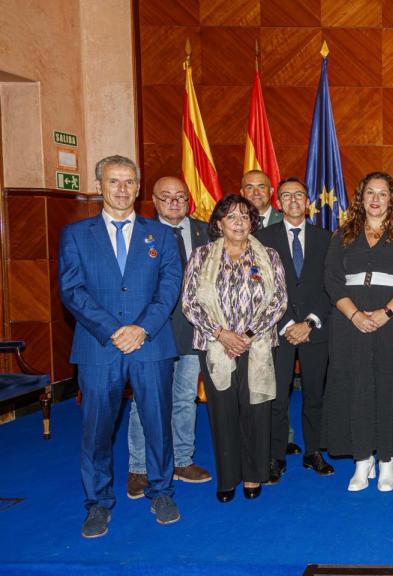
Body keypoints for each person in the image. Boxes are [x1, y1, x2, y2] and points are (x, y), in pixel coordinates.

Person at [60, 155, 183, 537]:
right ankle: (98, 503)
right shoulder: (77, 235)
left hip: (151, 345)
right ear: (100, 186)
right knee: (97, 430)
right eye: (114, 181)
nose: (122, 189)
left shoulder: (161, 235)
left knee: (158, 425)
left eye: (129, 181)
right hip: (99, 348)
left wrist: (141, 329)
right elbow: (71, 290)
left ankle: (161, 492)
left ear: (138, 186)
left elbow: (169, 289)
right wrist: (115, 330)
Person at [322, 172, 393, 492]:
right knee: (357, 388)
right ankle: (362, 459)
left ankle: (387, 462)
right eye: (370, 193)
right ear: (361, 198)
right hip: (349, 324)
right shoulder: (344, 233)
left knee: (390, 387)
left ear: (392, 198)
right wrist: (354, 315)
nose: (376, 199)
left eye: (382, 193)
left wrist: (386, 313)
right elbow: (331, 279)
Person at [181, 194, 288, 503]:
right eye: (232, 217)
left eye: (245, 217)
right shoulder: (201, 256)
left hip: (258, 347)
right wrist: (222, 334)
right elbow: (189, 302)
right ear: (219, 224)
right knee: (223, 413)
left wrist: (248, 335)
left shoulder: (268, 255)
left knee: (257, 412)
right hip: (216, 347)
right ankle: (228, 477)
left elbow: (279, 300)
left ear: (252, 223)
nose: (239, 222)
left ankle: (254, 475)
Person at [126, 176, 211, 501]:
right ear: (154, 201)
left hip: (192, 331)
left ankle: (182, 460)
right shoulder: (139, 233)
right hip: (151, 332)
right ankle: (140, 468)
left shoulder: (206, 231)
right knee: (143, 402)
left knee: (185, 398)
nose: (174, 203)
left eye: (180, 197)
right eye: (166, 197)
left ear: (188, 200)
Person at [255, 178, 334, 483]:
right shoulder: (262, 238)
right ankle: (275, 456)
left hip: (316, 330)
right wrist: (288, 323)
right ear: (279, 202)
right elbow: (262, 287)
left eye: (298, 195)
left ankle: (313, 451)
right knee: (278, 396)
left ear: (307, 201)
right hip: (278, 329)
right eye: (286, 196)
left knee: (315, 394)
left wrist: (310, 322)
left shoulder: (326, 238)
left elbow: (331, 285)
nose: (293, 201)